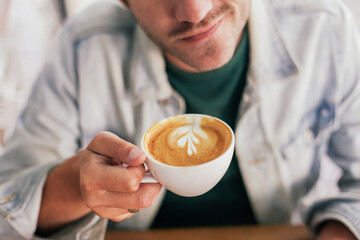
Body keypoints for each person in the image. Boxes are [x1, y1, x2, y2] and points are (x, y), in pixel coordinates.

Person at [0, 0, 359, 239]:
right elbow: (6, 209)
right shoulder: (82, 50)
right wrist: (74, 185)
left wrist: (339, 231)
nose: (195, 11)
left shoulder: (326, 30)